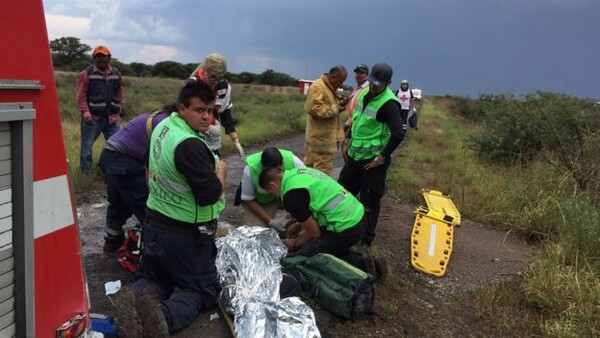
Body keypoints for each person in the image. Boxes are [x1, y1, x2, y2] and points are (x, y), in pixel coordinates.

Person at [132, 80, 227, 336]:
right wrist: (220, 172)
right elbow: (209, 195)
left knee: (154, 276)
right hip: (185, 234)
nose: (206, 116)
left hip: (154, 224)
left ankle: (140, 303)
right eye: (199, 110)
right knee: (201, 290)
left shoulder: (164, 127)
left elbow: (148, 166)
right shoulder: (189, 144)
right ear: (182, 108)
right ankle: (163, 317)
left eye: (210, 110)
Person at [338, 63, 405, 246]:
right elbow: (356, 120)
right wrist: (347, 140)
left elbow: (398, 133)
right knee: (342, 194)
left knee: (368, 202)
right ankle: (341, 228)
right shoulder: (364, 95)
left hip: (372, 163)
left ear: (389, 83)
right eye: (372, 82)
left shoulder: (389, 104)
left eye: (378, 84)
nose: (374, 86)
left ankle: (365, 240)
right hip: (354, 157)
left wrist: (382, 156)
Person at [97, 105, 172, 252]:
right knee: (146, 204)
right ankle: (157, 250)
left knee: (119, 202)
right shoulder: (167, 123)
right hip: (124, 160)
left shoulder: (156, 115)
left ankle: (112, 240)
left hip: (109, 156)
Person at [260, 167, 366, 257]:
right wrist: (299, 225)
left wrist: (295, 244)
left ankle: (361, 263)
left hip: (347, 227)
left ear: (273, 185)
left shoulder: (290, 196)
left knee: (303, 256)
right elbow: (314, 202)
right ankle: (347, 253)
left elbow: (314, 233)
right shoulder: (298, 172)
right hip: (356, 214)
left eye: (271, 193)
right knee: (325, 245)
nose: (274, 196)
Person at [76, 45, 124, 174]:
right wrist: (85, 113)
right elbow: (81, 96)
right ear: (94, 58)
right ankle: (86, 174)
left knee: (116, 147)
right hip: (93, 118)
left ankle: (112, 173)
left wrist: (120, 106)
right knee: (86, 148)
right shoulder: (86, 74)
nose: (101, 59)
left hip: (112, 118)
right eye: (98, 56)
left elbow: (119, 91)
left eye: (103, 56)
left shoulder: (116, 73)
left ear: (109, 58)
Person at [189, 53, 245, 158]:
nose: (215, 81)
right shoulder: (192, 85)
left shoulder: (223, 87)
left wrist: (235, 139)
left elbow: (225, 112)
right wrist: (207, 127)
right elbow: (183, 114)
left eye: (220, 78)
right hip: (193, 138)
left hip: (213, 140)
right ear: (205, 70)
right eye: (213, 77)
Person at [239, 147, 305, 229]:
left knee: (305, 224)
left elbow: (306, 190)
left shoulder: (294, 162)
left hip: (290, 196)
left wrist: (299, 220)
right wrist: (270, 222)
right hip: (263, 201)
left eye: (279, 170)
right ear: (263, 167)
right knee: (255, 230)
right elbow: (248, 199)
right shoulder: (250, 169)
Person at [303, 65, 348, 176]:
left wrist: (339, 104)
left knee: (309, 171)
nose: (341, 85)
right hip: (320, 142)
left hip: (320, 140)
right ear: (333, 77)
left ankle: (307, 192)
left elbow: (327, 107)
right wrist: (336, 108)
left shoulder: (328, 87)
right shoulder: (318, 86)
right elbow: (314, 109)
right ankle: (317, 193)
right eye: (340, 81)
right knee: (322, 174)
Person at [344, 64, 370, 130]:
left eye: (361, 73)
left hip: (361, 125)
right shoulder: (356, 89)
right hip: (351, 124)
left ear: (367, 75)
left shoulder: (369, 89)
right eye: (357, 72)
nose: (358, 75)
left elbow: (370, 111)